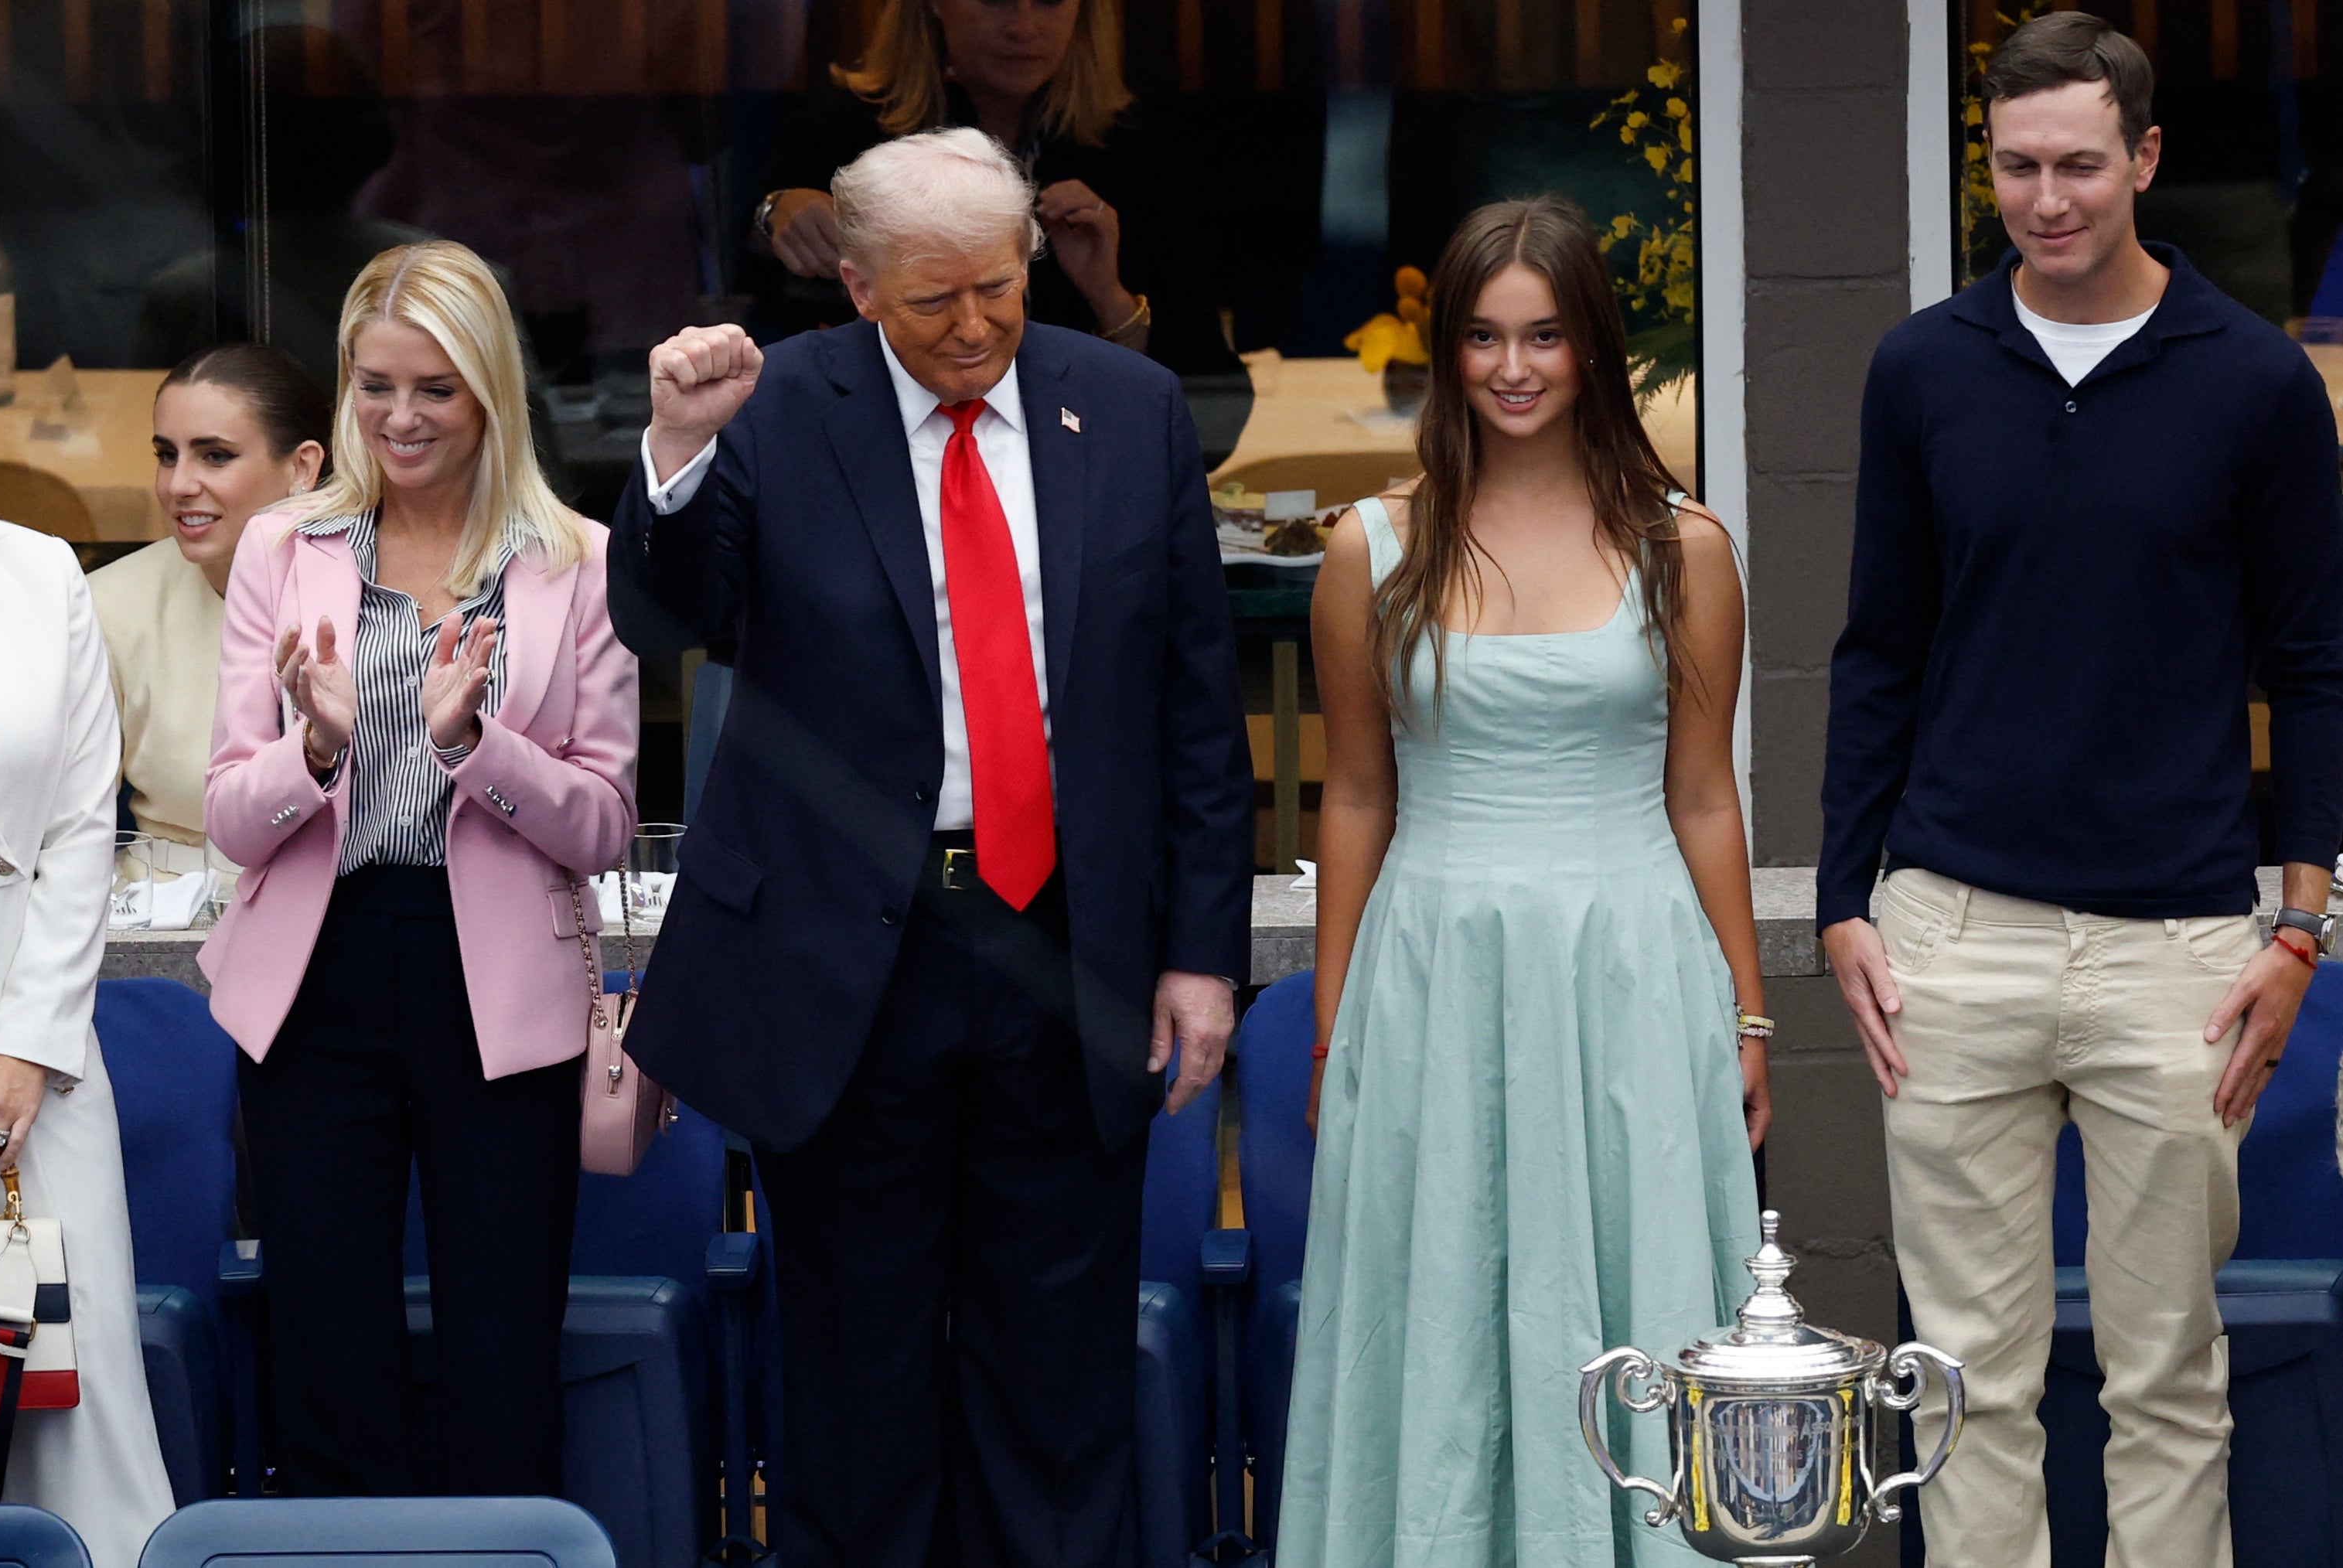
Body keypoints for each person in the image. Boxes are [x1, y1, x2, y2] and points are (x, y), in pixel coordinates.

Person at [610, 128, 1253, 1566]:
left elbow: (1195, 710)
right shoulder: (776, 411)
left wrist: (1200, 957)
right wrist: (671, 455)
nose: (971, 326)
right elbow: (664, 620)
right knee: (856, 1382)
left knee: (1057, 1382)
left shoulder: (1133, 407)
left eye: (997, 289)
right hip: (846, 959)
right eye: (929, 300)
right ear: (855, 288)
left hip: (1063, 946)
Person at [1818, 16, 2343, 1568]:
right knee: (1961, 1386)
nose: (2044, 201)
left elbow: (2311, 671)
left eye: (2075, 167)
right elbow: (1872, 657)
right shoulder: (1919, 368)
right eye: (2014, 168)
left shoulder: (2251, 383)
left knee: (2166, 1379)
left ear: (2143, 161)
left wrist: (2296, 927)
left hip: (2176, 949)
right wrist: (1845, 902)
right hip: (1949, 934)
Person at [1274, 196, 1766, 1566]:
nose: (1513, 366)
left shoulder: (1687, 547)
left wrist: (1746, 1010)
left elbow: (1705, 794)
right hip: (1435, 967)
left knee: (1636, 1286)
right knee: (1436, 1301)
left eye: (1545, 334)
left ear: (1591, 347)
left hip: (1629, 964)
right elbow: (1357, 795)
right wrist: (1332, 1024)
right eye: (1484, 336)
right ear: (1448, 353)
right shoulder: (1371, 548)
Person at [201, 240, 639, 1497]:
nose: (399, 417)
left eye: (434, 388)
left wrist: (473, 745)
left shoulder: (580, 562)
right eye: (374, 383)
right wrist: (320, 747)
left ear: (491, 390)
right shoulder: (284, 547)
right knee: (328, 1351)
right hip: (314, 975)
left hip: (497, 986)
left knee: (502, 1356)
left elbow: (606, 821)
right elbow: (233, 815)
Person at [0, 520, 174, 1563]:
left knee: (78, 1385)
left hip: (36, 1027)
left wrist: (27, 1040)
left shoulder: (41, 569)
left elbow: (77, 820)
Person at [752, 0, 1241, 383]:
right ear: (933, 3)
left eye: (1050, 1)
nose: (1023, 27)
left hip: (1073, 470)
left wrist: (1110, 300)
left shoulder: (1134, 152)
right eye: (995, 0)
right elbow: (752, 303)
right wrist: (774, 211)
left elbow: (1212, 405)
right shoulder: (844, 132)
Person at [90, 346, 329, 878]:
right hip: (159, 921)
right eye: (166, 455)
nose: (178, 485)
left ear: (302, 467)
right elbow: (62, 822)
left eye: (215, 456)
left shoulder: (376, 596)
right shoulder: (107, 603)